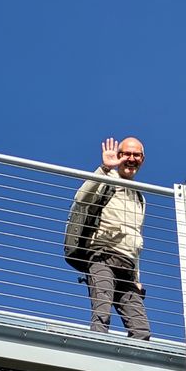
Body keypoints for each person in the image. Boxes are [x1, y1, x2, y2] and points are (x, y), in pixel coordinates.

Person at [73, 136, 150, 340]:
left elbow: (136, 241)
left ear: (142, 159)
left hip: (128, 268)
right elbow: (81, 199)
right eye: (127, 154)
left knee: (141, 330)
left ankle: (136, 369)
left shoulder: (140, 197)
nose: (131, 159)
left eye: (137, 155)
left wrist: (137, 279)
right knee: (102, 315)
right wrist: (104, 169)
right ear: (118, 156)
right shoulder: (107, 179)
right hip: (103, 258)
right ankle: (95, 360)